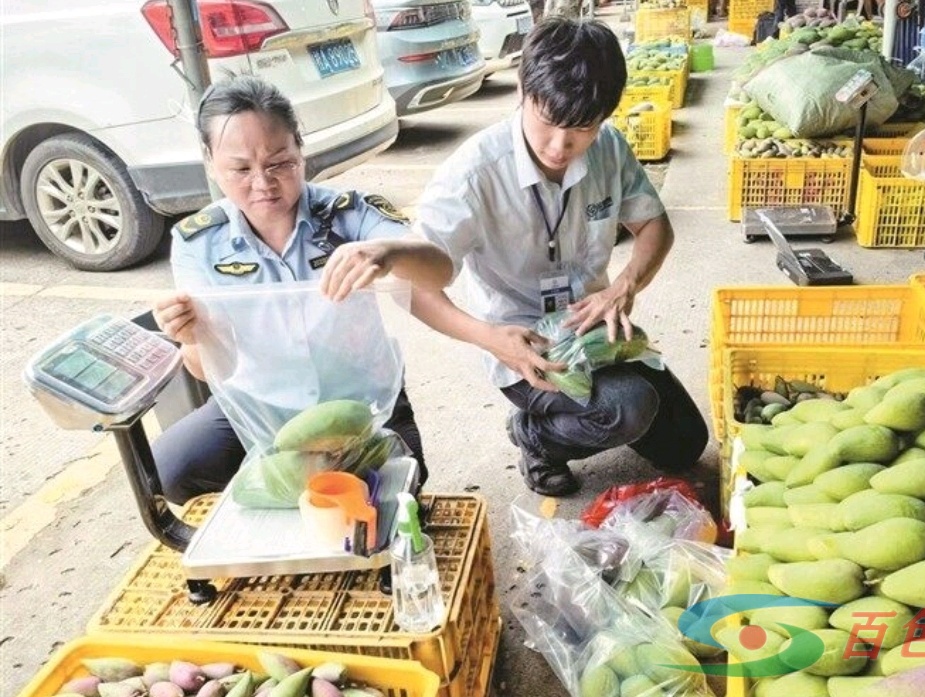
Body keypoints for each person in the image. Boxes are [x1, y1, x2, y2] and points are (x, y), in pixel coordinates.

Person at [410, 18, 709, 497]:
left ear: (605, 116)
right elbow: (415, 289)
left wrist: (624, 285)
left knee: (685, 445)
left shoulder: (609, 148)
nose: (559, 146)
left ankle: (579, 419)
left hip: (595, 335)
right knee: (629, 407)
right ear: (523, 93)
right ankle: (535, 438)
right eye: (547, 122)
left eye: (582, 128)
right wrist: (490, 339)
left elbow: (655, 226)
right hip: (525, 348)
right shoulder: (472, 174)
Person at [152, 75, 453, 505]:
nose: (263, 183)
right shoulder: (198, 242)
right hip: (259, 402)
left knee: (395, 492)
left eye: (279, 163)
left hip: (358, 404)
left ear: (300, 147)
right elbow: (208, 369)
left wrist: (386, 252)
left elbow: (439, 270)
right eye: (240, 169)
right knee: (171, 469)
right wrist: (189, 337)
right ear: (210, 161)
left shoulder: (346, 214)